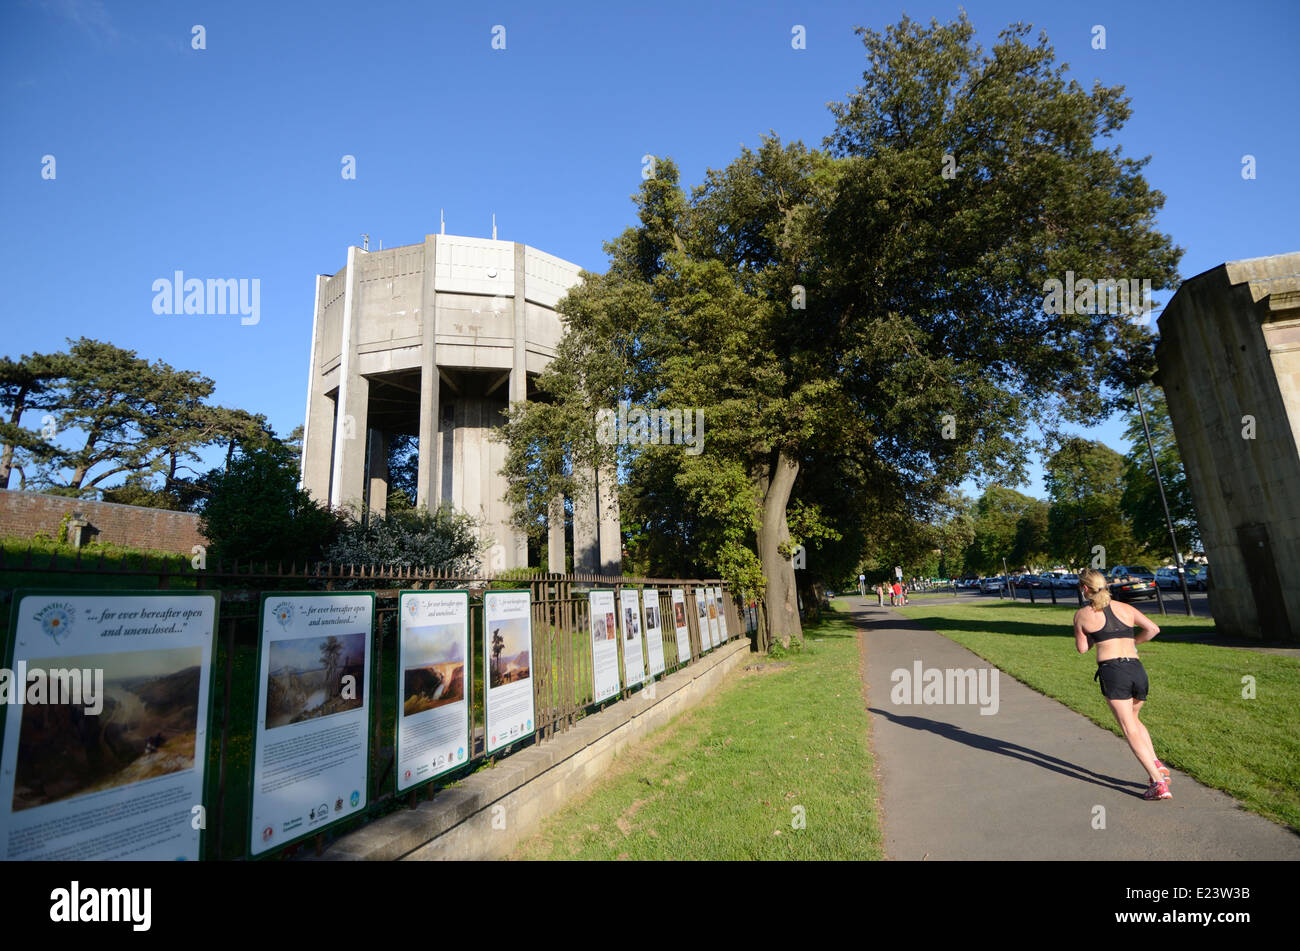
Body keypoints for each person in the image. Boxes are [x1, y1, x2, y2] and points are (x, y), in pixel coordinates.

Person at [1072, 568, 1172, 800]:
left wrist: (1091, 634)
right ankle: (1156, 763)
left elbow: (1082, 649)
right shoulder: (1125, 608)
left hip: (1114, 672)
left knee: (1128, 729)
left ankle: (1158, 783)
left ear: (1085, 589)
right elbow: (1153, 629)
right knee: (1135, 720)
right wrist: (1132, 642)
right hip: (1136, 670)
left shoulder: (1082, 615)